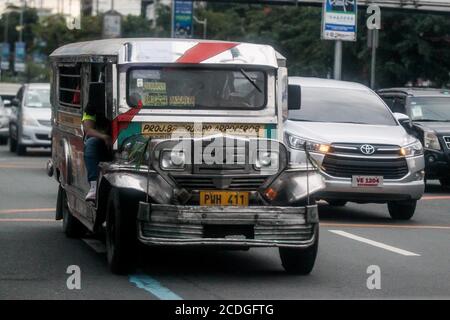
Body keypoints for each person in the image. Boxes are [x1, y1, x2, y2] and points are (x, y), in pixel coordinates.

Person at [82, 83, 112, 201]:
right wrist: (104, 137)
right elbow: (88, 130)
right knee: (91, 144)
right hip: (103, 142)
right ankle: (94, 187)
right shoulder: (92, 106)